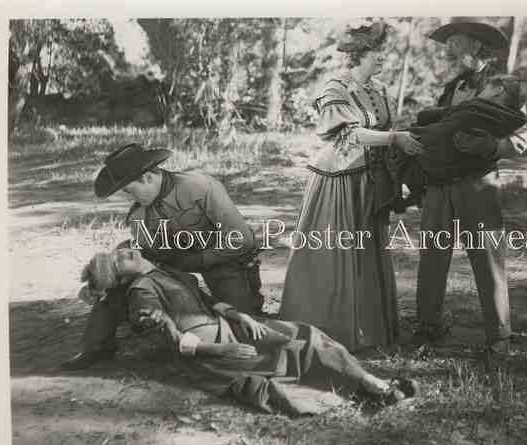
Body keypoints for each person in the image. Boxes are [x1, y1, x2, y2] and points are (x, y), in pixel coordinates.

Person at [79, 248, 419, 415]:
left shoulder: (169, 272)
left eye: (119, 252)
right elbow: (166, 335)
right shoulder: (141, 291)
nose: (122, 253)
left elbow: (209, 299)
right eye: (117, 262)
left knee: (304, 332)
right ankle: (376, 389)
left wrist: (242, 317)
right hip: (210, 352)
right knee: (298, 351)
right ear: (122, 278)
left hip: (227, 327)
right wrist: (215, 351)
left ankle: (369, 384)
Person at [279, 21, 424, 352]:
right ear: (358, 57)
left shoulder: (380, 89)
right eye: (377, 57)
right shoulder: (334, 89)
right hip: (339, 179)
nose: (382, 62)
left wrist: (400, 142)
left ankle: (368, 327)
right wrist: (394, 139)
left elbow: (385, 127)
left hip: (370, 179)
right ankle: (329, 326)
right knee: (336, 248)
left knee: (366, 248)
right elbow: (349, 135)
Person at [62, 143, 263, 370]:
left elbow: (242, 239)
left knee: (245, 329)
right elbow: (143, 253)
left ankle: (241, 307)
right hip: (172, 263)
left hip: (221, 260)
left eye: (129, 190)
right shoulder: (139, 214)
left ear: (147, 177)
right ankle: (95, 346)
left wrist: (197, 261)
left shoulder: (200, 186)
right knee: (116, 273)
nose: (130, 198)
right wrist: (107, 275)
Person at [412, 20, 527, 354]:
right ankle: (427, 326)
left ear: (478, 46)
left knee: (487, 257)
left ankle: (500, 337)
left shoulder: (506, 86)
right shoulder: (452, 88)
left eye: (455, 42)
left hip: (477, 185)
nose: (449, 49)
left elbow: (523, 136)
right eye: (448, 43)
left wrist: (490, 148)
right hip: (439, 185)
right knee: (432, 255)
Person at [400, 74, 527, 190]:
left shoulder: (480, 112)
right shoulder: (460, 82)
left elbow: (520, 140)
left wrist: (399, 136)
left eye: (485, 88)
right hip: (458, 178)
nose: (480, 92)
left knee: (462, 216)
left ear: (498, 90)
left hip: (469, 184)